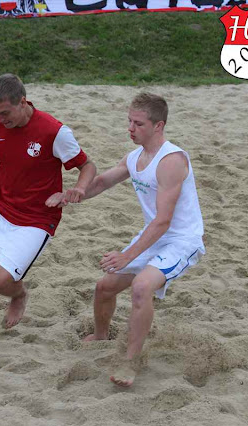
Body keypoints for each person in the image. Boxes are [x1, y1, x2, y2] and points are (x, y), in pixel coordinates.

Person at [0, 73, 96, 334]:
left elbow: (87, 165)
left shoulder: (54, 131)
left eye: (5, 113)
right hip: (2, 206)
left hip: (37, 217)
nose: (0, 119)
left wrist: (79, 189)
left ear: (23, 102)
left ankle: (18, 295)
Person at [81, 93, 206, 387]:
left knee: (141, 287)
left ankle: (130, 361)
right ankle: (100, 335)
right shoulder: (135, 157)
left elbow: (164, 220)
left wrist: (127, 256)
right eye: (129, 121)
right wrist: (72, 195)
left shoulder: (171, 161)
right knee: (105, 286)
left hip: (181, 240)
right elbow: (101, 182)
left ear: (158, 126)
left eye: (138, 124)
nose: (130, 128)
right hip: (154, 235)